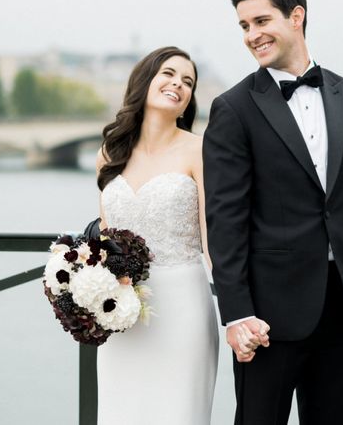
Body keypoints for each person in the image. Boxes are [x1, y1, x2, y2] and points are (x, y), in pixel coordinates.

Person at [203, 0, 343, 425]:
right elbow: (224, 220)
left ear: (296, 16)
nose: (252, 35)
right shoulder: (233, 108)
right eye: (244, 26)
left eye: (261, 20)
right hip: (267, 317)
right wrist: (237, 314)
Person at [95, 46, 218, 424]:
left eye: (188, 82)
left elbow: (213, 239)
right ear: (145, 80)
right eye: (168, 74)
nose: (177, 85)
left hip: (184, 308)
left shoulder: (200, 149)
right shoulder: (110, 152)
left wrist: (240, 311)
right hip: (123, 313)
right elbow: (104, 238)